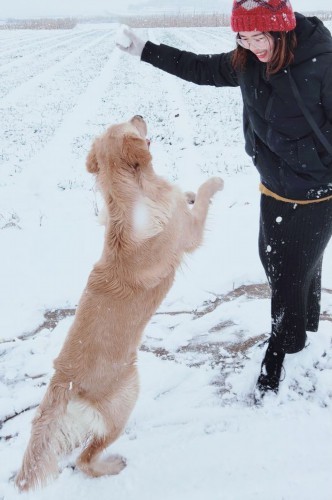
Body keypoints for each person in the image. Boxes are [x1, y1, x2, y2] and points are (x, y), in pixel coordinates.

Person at [117, 0, 332, 398]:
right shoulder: (247, 61)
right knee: (287, 261)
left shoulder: (321, 63)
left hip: (316, 192)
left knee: (286, 270)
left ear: (281, 29)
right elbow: (199, 68)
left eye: (260, 36)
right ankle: (306, 326)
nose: (253, 46)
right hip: (274, 184)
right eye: (244, 37)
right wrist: (146, 49)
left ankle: (284, 346)